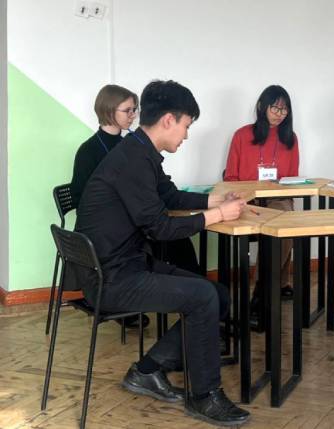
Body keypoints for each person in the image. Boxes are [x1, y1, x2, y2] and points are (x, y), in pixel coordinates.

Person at [75, 80, 250, 426]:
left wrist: (216, 200)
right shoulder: (132, 159)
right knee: (203, 297)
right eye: (186, 126)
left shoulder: (140, 151)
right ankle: (204, 397)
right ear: (168, 120)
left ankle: (147, 371)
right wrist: (217, 216)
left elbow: (169, 197)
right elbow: (159, 228)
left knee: (216, 294)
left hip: (128, 263)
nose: (186, 136)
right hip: (111, 277)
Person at [223, 85, 299, 327]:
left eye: (284, 110)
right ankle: (278, 284)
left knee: (283, 219)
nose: (280, 114)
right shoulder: (242, 135)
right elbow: (230, 177)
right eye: (275, 108)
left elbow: (292, 180)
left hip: (277, 198)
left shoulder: (290, 139)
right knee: (278, 221)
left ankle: (262, 291)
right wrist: (242, 195)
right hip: (248, 198)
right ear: (261, 107)